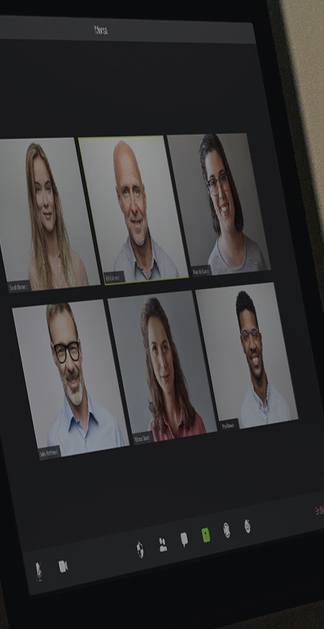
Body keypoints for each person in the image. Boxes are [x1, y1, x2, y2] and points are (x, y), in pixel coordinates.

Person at [38, 306, 120, 455]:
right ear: (54, 356)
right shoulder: (54, 440)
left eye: (73, 347)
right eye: (61, 351)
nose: (70, 366)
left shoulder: (111, 423)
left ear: (80, 349)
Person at [137, 299, 209, 441]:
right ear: (149, 360)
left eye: (164, 347)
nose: (163, 363)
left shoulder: (197, 423)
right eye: (155, 350)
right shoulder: (152, 433)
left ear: (172, 350)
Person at [20, 142, 85, 290]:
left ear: (55, 194)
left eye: (48, 188)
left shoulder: (77, 262)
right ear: (32, 200)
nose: (45, 202)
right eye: (37, 190)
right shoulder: (34, 271)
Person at [198, 134, 265, 273]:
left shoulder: (256, 254)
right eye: (213, 183)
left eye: (222, 178)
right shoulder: (212, 267)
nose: (221, 194)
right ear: (209, 192)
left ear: (230, 180)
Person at [108, 140, 173, 281]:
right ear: (119, 199)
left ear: (144, 196)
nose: (134, 208)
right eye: (125, 192)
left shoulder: (170, 269)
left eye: (136, 191)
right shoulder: (119, 272)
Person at [226, 292, 291, 427]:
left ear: (260, 340)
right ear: (242, 344)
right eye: (245, 336)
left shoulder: (283, 406)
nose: (252, 346)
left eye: (254, 334)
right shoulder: (244, 415)